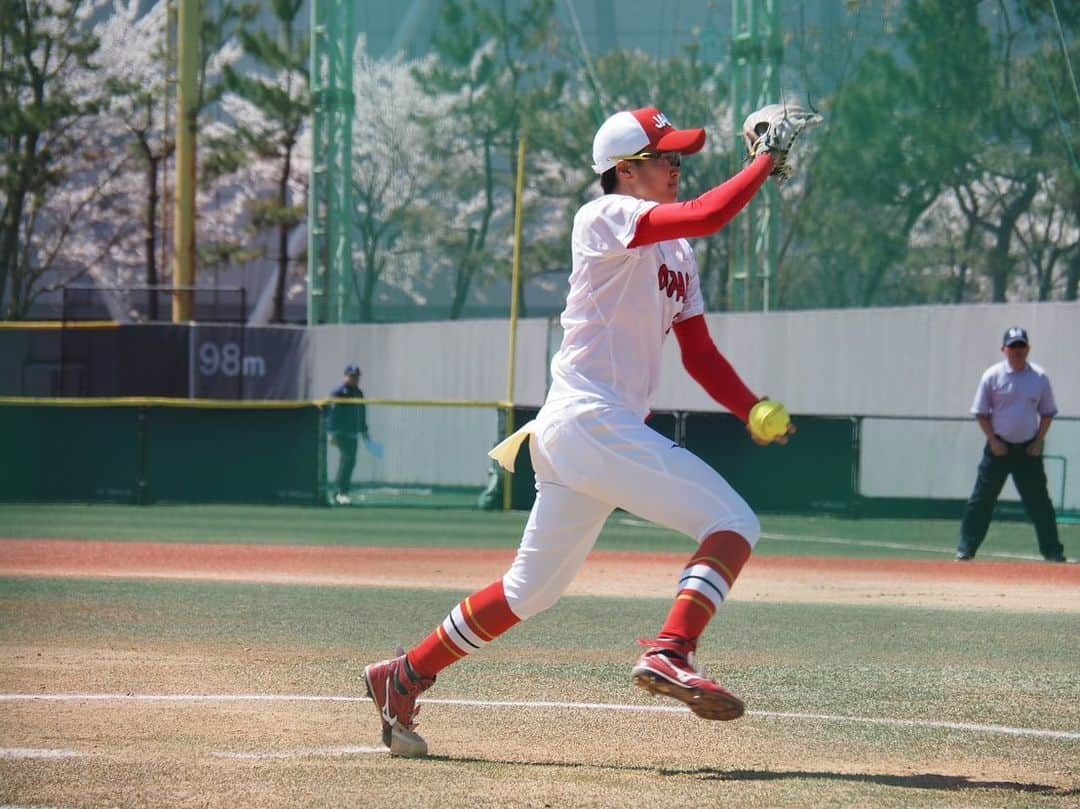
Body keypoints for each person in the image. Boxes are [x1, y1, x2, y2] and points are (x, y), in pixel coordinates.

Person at [363, 105, 804, 757]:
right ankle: (671, 648)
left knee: (527, 592)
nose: (677, 168)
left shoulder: (674, 250)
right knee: (736, 522)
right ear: (626, 171)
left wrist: (750, 408)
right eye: (666, 159)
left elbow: (701, 353)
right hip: (590, 417)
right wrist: (765, 162)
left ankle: (403, 674)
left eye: (680, 159)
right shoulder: (605, 216)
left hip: (585, 432)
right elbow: (712, 214)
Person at [956, 327, 1065, 562]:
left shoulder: (1039, 377)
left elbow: (1047, 413)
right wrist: (993, 441)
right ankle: (965, 550)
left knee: (1040, 504)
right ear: (1003, 349)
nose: (1017, 351)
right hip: (999, 449)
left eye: (1021, 346)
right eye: (1012, 346)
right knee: (981, 501)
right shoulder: (992, 376)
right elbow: (981, 413)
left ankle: (1054, 552)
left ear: (1028, 348)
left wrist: (1038, 442)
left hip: (1028, 450)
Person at [328, 363, 368, 505]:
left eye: (356, 376)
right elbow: (332, 413)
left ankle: (338, 493)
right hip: (340, 432)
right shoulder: (339, 392)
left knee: (349, 462)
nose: (355, 379)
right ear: (345, 376)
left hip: (352, 433)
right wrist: (331, 433)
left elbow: (362, 412)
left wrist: (364, 430)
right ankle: (341, 493)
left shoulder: (358, 393)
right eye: (352, 376)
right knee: (347, 460)